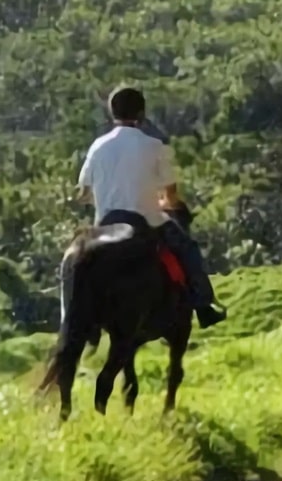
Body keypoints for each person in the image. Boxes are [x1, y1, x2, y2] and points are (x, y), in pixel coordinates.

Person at [76, 86, 228, 329]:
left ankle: (70, 318)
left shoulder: (97, 146)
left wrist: (106, 198)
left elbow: (83, 194)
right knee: (187, 248)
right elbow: (171, 196)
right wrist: (168, 204)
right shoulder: (155, 146)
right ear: (142, 113)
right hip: (146, 220)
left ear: (111, 112)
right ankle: (203, 306)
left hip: (104, 224)